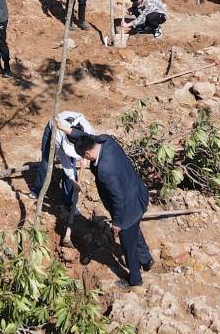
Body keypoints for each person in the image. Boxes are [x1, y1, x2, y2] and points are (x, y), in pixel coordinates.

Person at [71, 131, 153, 287]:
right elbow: (86, 135)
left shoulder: (105, 170)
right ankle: (147, 260)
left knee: (127, 244)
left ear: (87, 153)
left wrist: (117, 222)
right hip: (138, 195)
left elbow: (118, 199)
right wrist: (67, 130)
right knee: (134, 230)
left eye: (84, 157)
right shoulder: (107, 140)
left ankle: (135, 279)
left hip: (127, 207)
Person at [40, 111, 96, 246]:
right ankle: (37, 190)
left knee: (73, 173)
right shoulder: (59, 136)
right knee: (47, 162)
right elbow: (65, 162)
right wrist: (72, 178)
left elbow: (93, 149)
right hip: (53, 128)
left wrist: (85, 160)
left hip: (76, 139)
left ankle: (69, 202)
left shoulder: (89, 132)